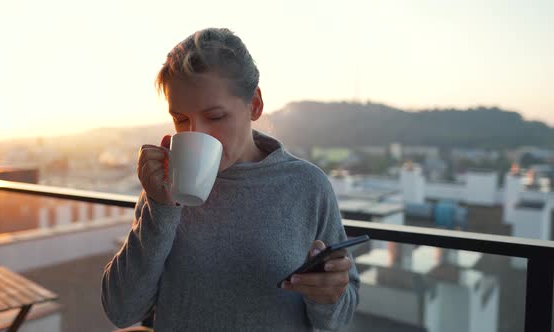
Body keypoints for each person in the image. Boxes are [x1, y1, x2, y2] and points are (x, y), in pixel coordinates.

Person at [101, 27, 360, 331]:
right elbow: (121, 310)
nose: (194, 133)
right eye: (181, 119)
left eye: (215, 116)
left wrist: (328, 295)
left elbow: (340, 317)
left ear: (255, 105)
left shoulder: (307, 185)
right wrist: (160, 208)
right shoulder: (166, 186)